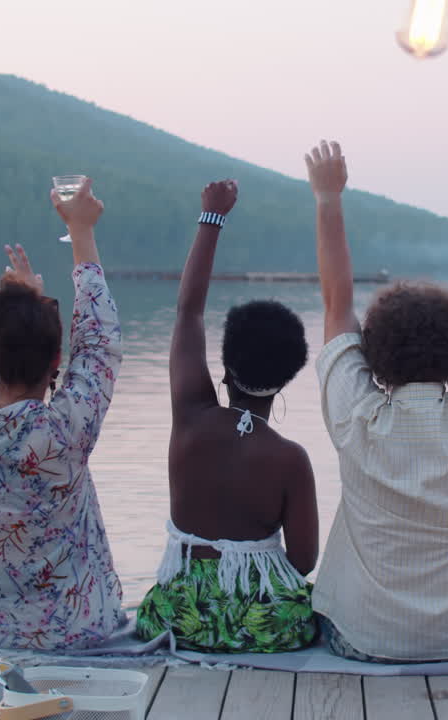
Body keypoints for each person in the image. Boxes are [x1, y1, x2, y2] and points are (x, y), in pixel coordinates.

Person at [308, 137, 448, 662]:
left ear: (374, 354)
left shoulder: (358, 418)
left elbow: (337, 303)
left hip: (365, 640)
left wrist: (328, 198)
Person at [0, 178, 125, 650]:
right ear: (57, 359)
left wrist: (18, 307)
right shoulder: (66, 429)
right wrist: (81, 232)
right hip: (77, 633)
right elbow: (98, 344)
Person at [134, 180, 318, 653]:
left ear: (224, 368)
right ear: (287, 378)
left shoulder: (190, 416)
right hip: (262, 625)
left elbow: (188, 312)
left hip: (176, 618)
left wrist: (212, 217)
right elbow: (302, 562)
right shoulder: (290, 459)